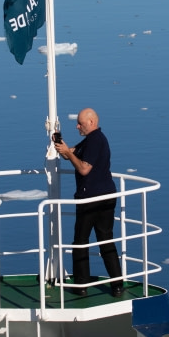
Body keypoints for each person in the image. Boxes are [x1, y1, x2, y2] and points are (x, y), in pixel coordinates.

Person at [54, 108, 123, 297]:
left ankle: (80, 285)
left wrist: (69, 153)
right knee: (106, 239)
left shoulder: (95, 141)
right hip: (106, 196)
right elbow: (72, 155)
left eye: (80, 123)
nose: (77, 126)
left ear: (91, 122)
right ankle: (117, 284)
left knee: (80, 242)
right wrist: (64, 149)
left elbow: (84, 169)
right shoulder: (93, 140)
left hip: (91, 198)